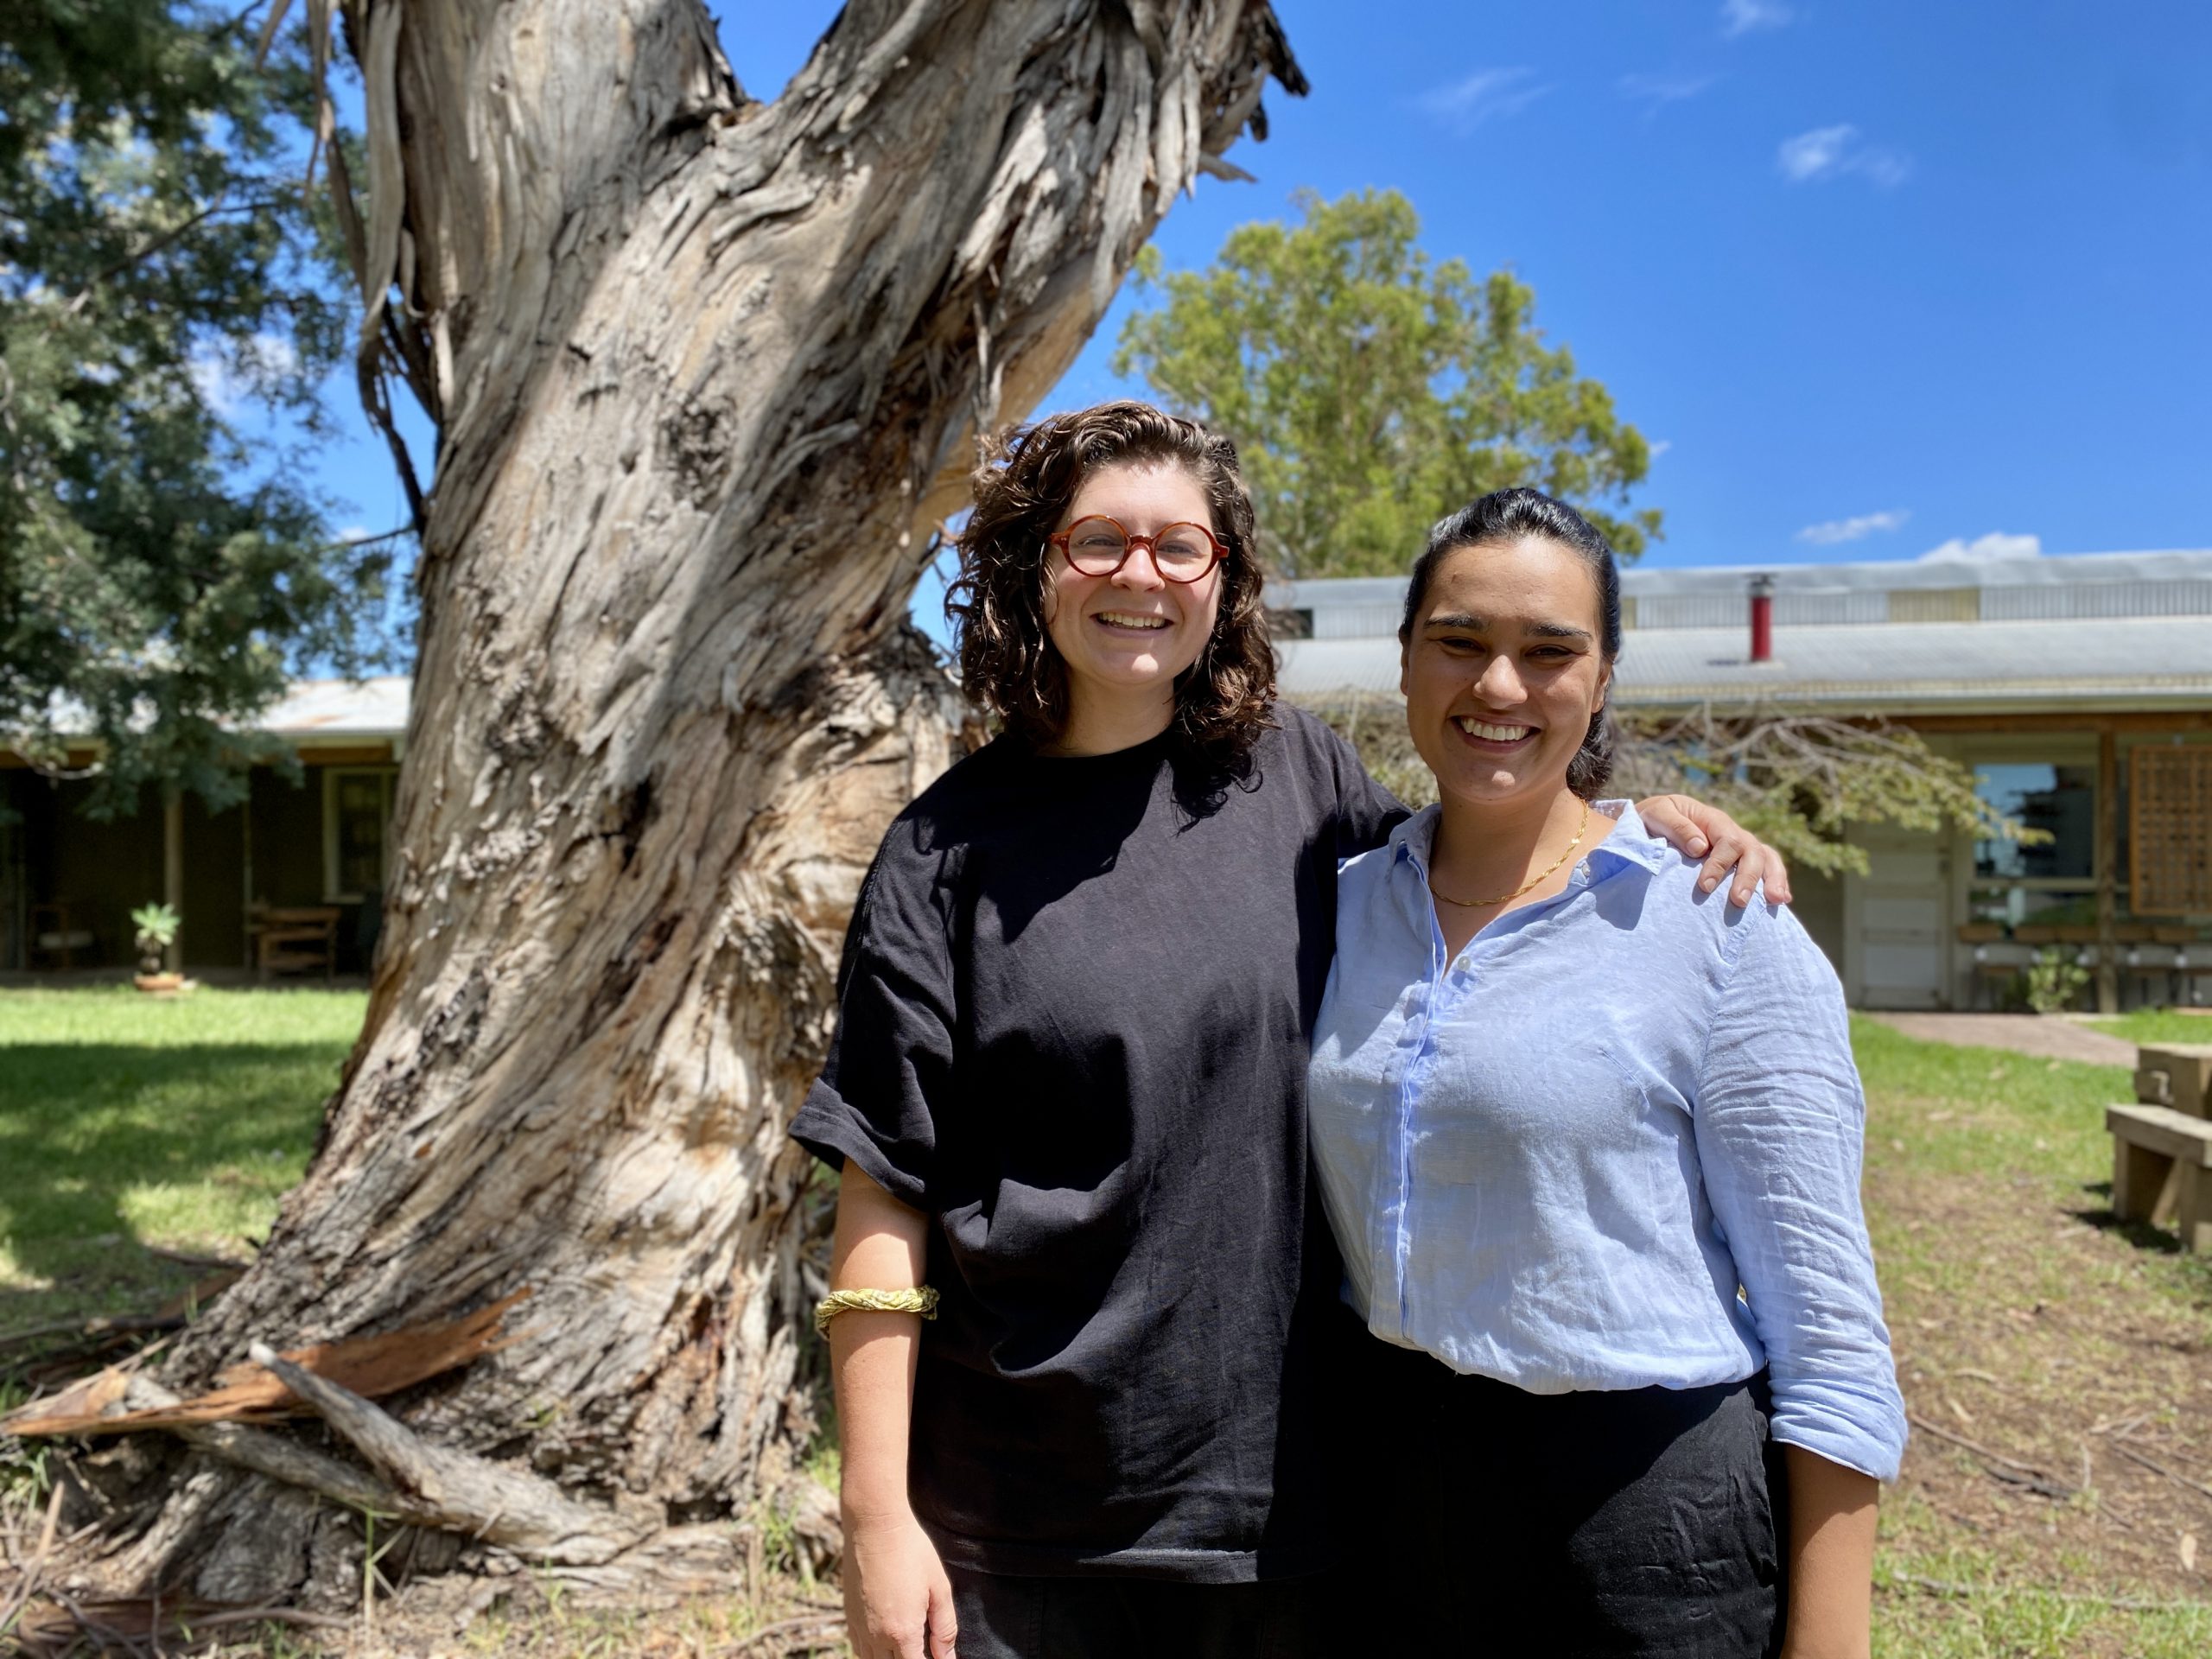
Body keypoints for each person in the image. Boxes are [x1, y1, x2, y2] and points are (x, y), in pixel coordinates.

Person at [789, 404, 1790, 1659]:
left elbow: (1483, 859)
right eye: (1098, 540)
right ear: (1032, 567)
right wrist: (876, 1512)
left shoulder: (1299, 784)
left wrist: (1638, 819)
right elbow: (885, 1201)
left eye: (1180, 546)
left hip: (1299, 1507)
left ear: (1225, 580)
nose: (1138, 576)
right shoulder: (943, 855)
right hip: (1018, 1519)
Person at [1308, 487, 1906, 1658]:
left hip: (1648, 1529)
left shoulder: (1716, 922)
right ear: (1406, 662)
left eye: (1549, 652)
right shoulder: (1340, 906)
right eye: (1461, 643)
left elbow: (1829, 1336)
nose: (1499, 687)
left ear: (1604, 677)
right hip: (1380, 1496)